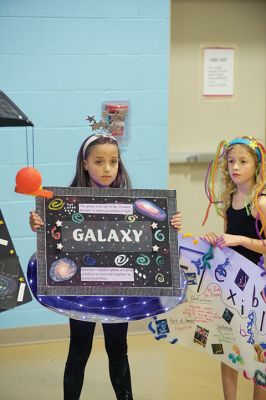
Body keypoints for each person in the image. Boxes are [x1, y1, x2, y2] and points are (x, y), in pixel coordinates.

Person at [30, 130, 182, 400]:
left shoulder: (132, 203)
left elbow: (151, 237)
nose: (107, 168)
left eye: (113, 161)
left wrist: (170, 224)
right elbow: (55, 238)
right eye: (99, 161)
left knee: (118, 349)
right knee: (79, 348)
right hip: (81, 289)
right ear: (85, 164)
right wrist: (39, 224)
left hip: (117, 289)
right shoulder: (66, 203)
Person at [201, 135, 266, 400]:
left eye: (242, 161)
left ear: (257, 166)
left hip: (257, 286)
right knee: (228, 346)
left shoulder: (260, 202)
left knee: (257, 351)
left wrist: (239, 239)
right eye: (230, 162)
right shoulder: (230, 199)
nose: (235, 167)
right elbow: (229, 244)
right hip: (233, 284)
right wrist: (215, 243)